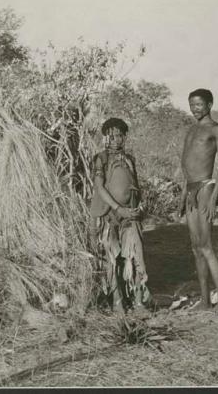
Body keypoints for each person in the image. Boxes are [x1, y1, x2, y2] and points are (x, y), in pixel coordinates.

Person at [178, 88, 218, 314]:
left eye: (199, 105)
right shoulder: (191, 129)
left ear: (209, 105)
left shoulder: (215, 129)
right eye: (191, 104)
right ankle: (205, 300)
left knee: (207, 246)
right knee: (195, 248)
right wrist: (183, 195)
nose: (194, 109)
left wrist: (214, 196)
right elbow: (185, 165)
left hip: (206, 188)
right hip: (190, 189)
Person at [89, 117, 151, 315]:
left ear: (125, 137)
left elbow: (135, 185)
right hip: (109, 215)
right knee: (112, 258)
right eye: (111, 136)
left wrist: (138, 206)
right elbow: (99, 187)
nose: (116, 139)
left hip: (130, 214)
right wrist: (117, 208)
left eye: (119, 135)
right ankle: (117, 302)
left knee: (136, 256)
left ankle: (139, 302)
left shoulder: (129, 159)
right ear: (106, 138)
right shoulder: (102, 158)